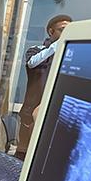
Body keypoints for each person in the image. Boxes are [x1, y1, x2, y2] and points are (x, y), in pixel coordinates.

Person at [16, 14, 72, 160]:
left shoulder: (68, 56)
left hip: (56, 111)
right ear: (51, 32)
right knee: (23, 153)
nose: (66, 33)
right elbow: (32, 63)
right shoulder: (36, 50)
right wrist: (57, 45)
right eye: (62, 30)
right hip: (31, 108)